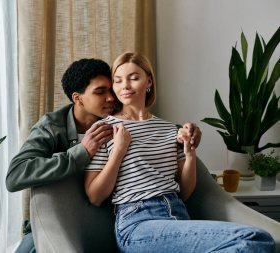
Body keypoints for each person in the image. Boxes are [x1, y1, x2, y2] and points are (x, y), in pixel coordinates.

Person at [84, 52, 276, 253]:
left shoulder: (170, 130)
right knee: (255, 239)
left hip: (178, 214)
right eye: (118, 80)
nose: (125, 86)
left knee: (254, 244)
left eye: (134, 78)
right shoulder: (105, 128)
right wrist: (119, 151)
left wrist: (190, 152)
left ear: (148, 81)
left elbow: (184, 192)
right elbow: (95, 196)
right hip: (137, 224)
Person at [6, 58, 202, 252]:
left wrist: (185, 133)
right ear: (78, 98)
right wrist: (81, 152)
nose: (111, 97)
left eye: (111, 89)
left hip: (125, 216)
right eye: (100, 92)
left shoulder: (116, 117)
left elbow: (150, 129)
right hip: (65, 220)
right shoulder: (52, 127)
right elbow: (15, 175)